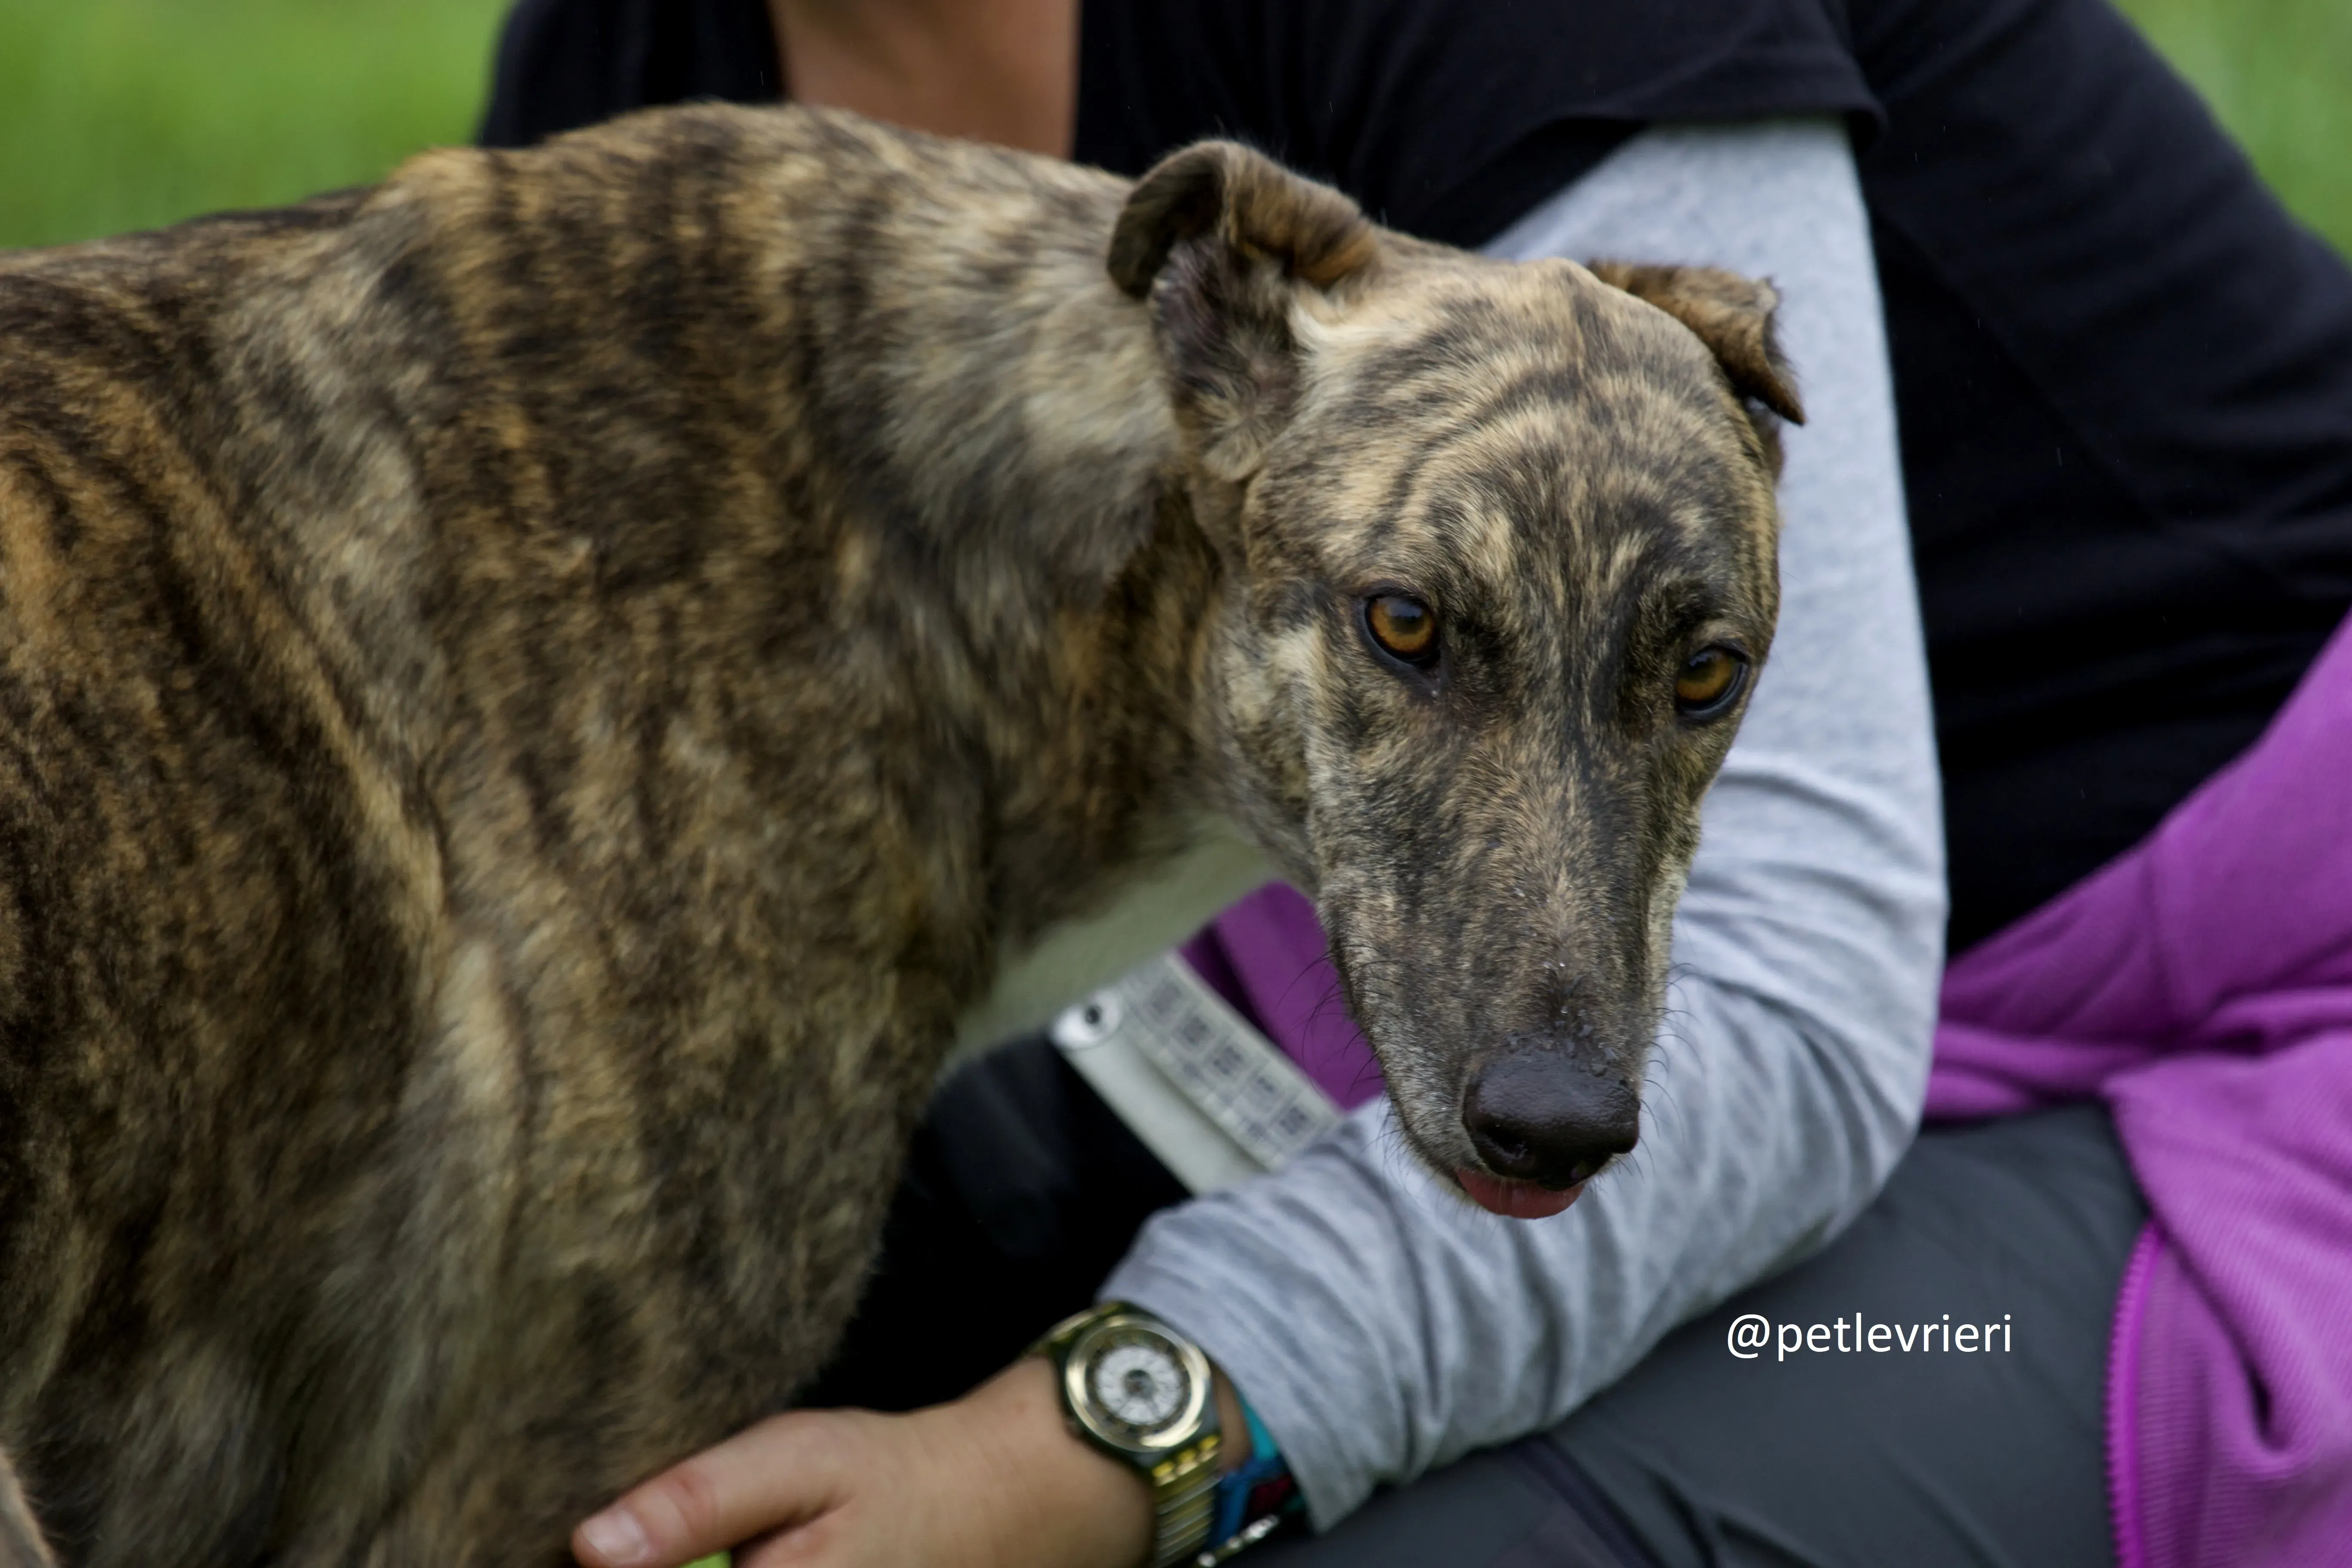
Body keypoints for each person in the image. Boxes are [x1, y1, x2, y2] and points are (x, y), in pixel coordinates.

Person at [477, 3, 2352, 1565]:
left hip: (2253, 1043)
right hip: (1389, 963)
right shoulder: (642, 63)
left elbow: (1790, 985)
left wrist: (1102, 1443)